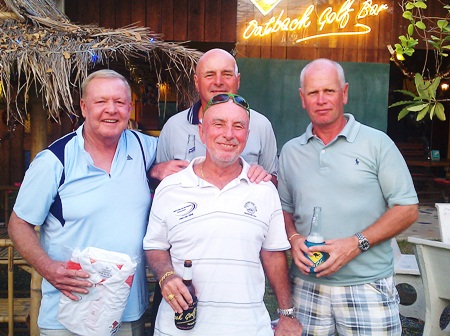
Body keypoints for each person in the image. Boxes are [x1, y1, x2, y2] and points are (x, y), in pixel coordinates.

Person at [8, 69, 157, 335]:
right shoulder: (55, 161)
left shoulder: (146, 148)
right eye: (101, 102)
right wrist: (48, 268)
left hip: (128, 311)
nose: (111, 110)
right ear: (84, 107)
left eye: (120, 102)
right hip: (69, 313)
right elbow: (18, 224)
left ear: (130, 108)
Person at [278, 58, 419, 335]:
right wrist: (293, 238)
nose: (321, 100)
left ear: (344, 93)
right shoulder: (291, 151)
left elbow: (407, 208)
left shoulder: (377, 144)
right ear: (302, 98)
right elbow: (284, 209)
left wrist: (356, 244)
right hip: (307, 288)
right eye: (312, 92)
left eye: (329, 91)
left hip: (367, 285)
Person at [143, 94, 303, 335]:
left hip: (247, 327)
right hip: (179, 328)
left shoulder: (263, 189)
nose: (228, 134)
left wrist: (287, 314)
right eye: (218, 124)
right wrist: (166, 276)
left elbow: (273, 256)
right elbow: (154, 245)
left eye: (238, 126)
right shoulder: (171, 187)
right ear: (202, 133)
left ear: (247, 136)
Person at [150, 48, 278, 185]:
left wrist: (263, 176)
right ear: (197, 82)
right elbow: (158, 185)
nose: (218, 82)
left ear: (238, 80)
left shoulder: (261, 125)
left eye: (227, 74)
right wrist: (155, 171)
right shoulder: (174, 126)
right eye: (209, 75)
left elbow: (274, 183)